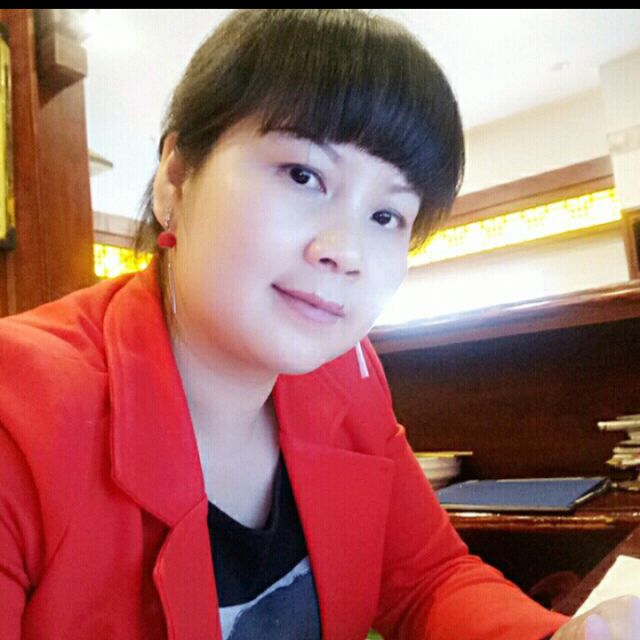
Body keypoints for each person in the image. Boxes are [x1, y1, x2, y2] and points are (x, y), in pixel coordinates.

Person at [0, 8, 638, 640]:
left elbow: (427, 579)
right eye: (303, 175)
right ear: (176, 177)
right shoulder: (21, 409)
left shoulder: (348, 377)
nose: (346, 251)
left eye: (386, 216)